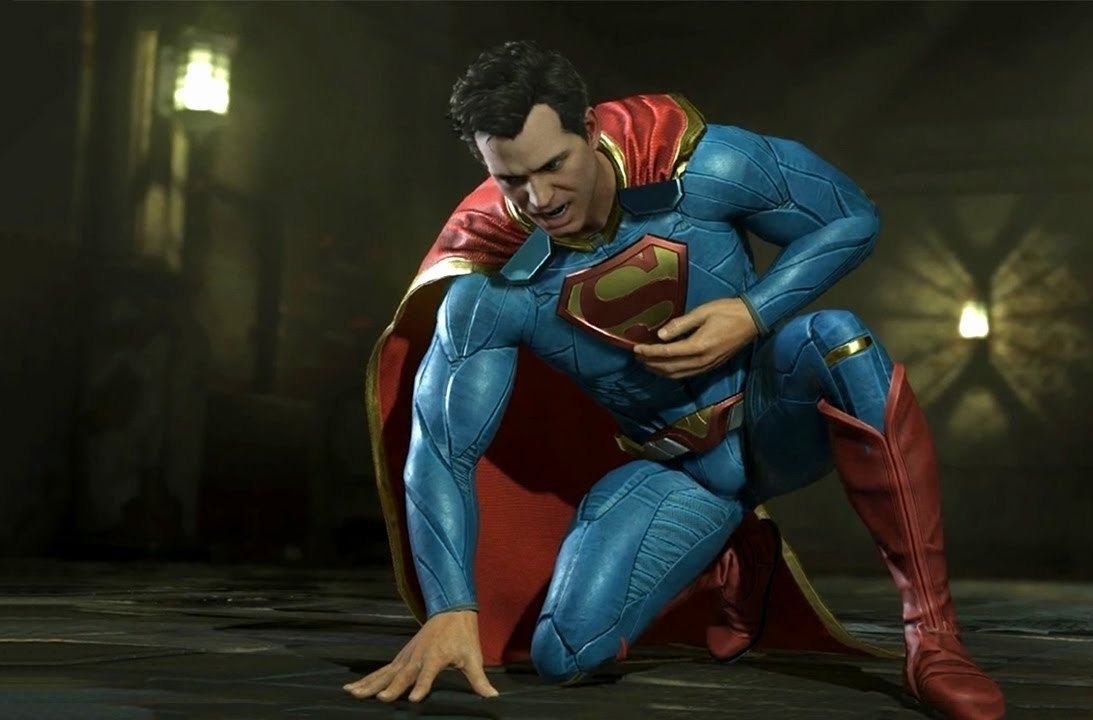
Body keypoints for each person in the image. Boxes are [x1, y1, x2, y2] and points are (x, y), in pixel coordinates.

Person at [346, 40, 1005, 720]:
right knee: (565, 654)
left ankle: (934, 637)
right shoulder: (488, 286)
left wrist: (752, 313)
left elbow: (852, 216)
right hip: (684, 472)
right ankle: (734, 554)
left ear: (590, 130)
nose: (539, 198)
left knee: (838, 338)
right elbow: (440, 451)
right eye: (513, 180)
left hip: (777, 413)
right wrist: (451, 607)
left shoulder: (704, 167)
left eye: (553, 165)